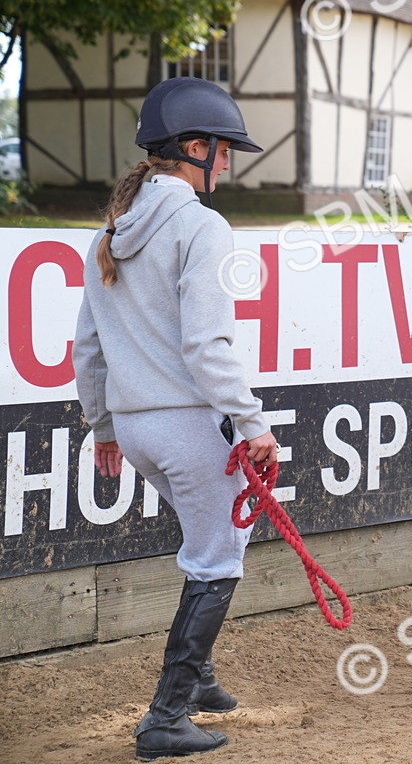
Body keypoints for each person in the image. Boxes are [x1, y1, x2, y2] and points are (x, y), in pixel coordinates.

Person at [73, 76, 278, 760]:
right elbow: (207, 345)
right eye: (223, 152)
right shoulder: (200, 225)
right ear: (194, 147)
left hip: (136, 432)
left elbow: (89, 347)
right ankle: (165, 715)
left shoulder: (110, 230)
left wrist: (103, 427)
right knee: (218, 560)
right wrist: (252, 424)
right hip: (189, 426)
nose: (228, 164)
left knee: (210, 543)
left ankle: (202, 679)